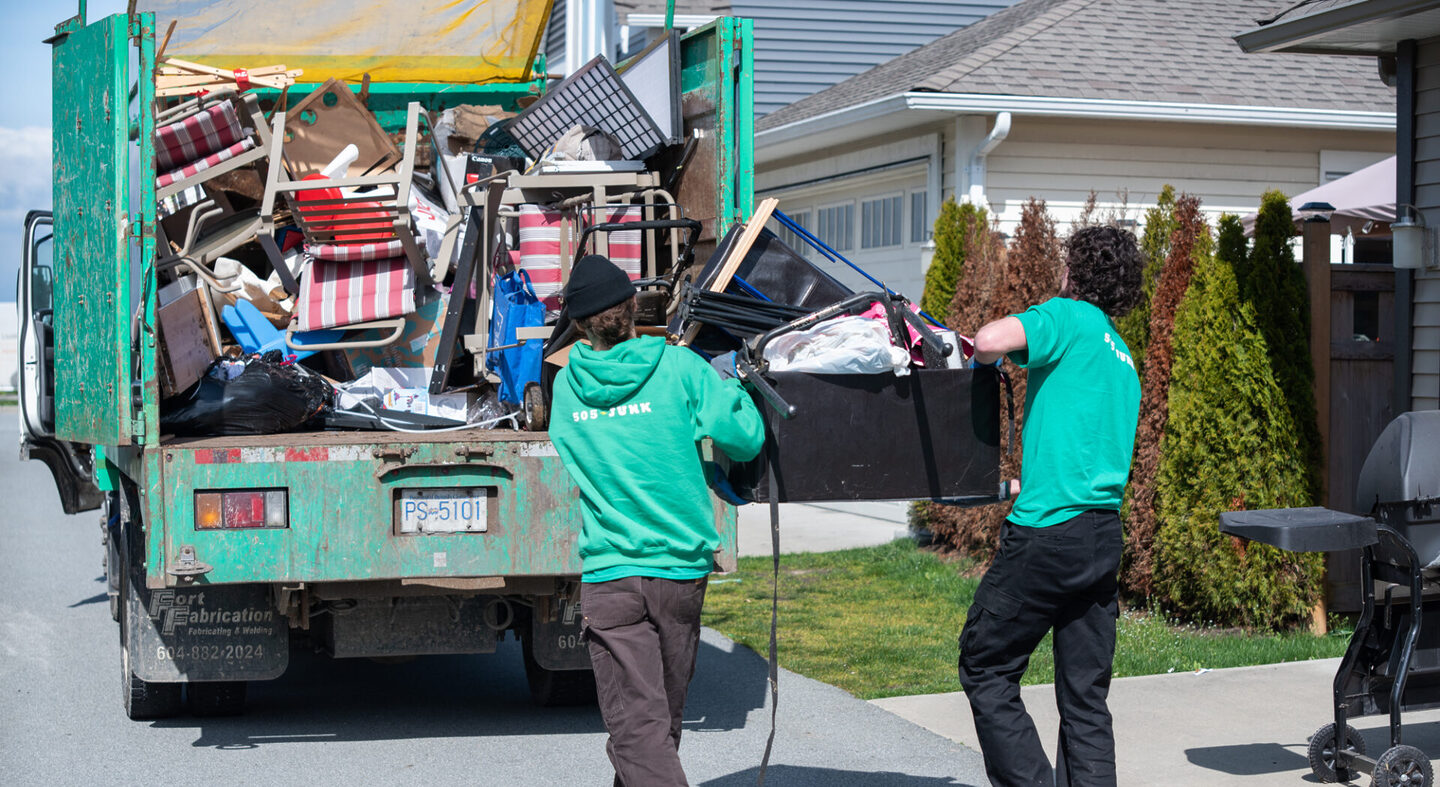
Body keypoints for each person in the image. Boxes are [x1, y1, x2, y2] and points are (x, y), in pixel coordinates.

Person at [548, 254, 766, 787]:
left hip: (612, 574)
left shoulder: (565, 389)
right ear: (632, 307)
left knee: (642, 725)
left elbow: (573, 448)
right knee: (652, 723)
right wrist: (734, 389)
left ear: (578, 324)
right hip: (679, 571)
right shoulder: (681, 369)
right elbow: (747, 437)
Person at [958, 225, 1144, 787]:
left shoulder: (1066, 316)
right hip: (1100, 536)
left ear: (1072, 273)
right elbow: (1087, 454)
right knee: (1086, 698)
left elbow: (988, 340)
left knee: (986, 665)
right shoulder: (1123, 357)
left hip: (1047, 536)